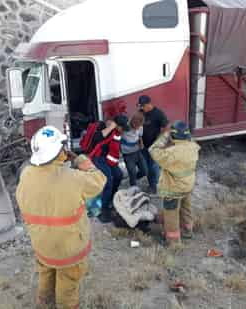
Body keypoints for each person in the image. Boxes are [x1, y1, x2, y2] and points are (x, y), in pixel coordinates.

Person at [16, 126, 106, 309]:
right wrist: (81, 159)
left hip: (42, 244)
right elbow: (99, 180)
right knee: (68, 285)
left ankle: (44, 303)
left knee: (46, 274)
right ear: (60, 151)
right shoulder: (74, 178)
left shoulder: (26, 175)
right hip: (69, 249)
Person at [149, 120, 200, 247]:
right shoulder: (193, 147)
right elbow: (189, 138)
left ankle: (173, 242)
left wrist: (166, 135)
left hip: (173, 189)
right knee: (186, 209)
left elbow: (153, 150)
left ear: (173, 136)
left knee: (171, 214)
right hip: (187, 185)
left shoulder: (171, 153)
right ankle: (187, 231)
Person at [90, 114, 130, 223]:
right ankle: (103, 209)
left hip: (107, 158)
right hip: (98, 157)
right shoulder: (106, 129)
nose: (123, 131)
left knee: (119, 175)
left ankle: (110, 199)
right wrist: (110, 127)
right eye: (122, 128)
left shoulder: (118, 132)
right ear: (117, 125)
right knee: (108, 181)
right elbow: (96, 139)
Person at [138, 95, 169, 194]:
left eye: (143, 106)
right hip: (143, 145)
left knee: (153, 167)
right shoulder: (141, 112)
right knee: (146, 167)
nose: (141, 108)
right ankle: (152, 184)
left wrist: (158, 141)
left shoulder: (158, 113)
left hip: (154, 147)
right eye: (140, 106)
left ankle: (155, 186)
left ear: (148, 104)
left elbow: (166, 127)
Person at [121, 112, 148, 187]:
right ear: (132, 122)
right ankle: (133, 187)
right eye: (136, 126)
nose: (137, 128)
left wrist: (141, 143)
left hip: (137, 152)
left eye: (139, 126)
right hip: (127, 154)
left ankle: (134, 178)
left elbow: (140, 136)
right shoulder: (125, 126)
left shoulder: (140, 126)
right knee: (132, 172)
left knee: (145, 171)